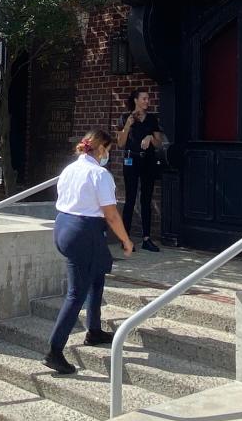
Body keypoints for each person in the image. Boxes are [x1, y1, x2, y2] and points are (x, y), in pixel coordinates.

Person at [44, 129, 133, 375]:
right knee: (76, 293)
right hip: (85, 231)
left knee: (98, 271)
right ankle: (54, 350)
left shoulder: (69, 169)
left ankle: (93, 329)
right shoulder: (99, 174)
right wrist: (126, 240)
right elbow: (111, 214)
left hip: (64, 225)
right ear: (102, 149)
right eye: (109, 150)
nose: (109, 155)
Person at [116, 89, 164, 252]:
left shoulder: (151, 119)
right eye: (144, 98)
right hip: (131, 160)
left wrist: (151, 137)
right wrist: (128, 125)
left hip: (148, 160)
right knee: (130, 198)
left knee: (146, 198)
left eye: (148, 99)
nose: (147, 101)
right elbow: (121, 143)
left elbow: (159, 143)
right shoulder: (124, 118)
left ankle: (146, 238)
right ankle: (125, 238)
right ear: (136, 100)